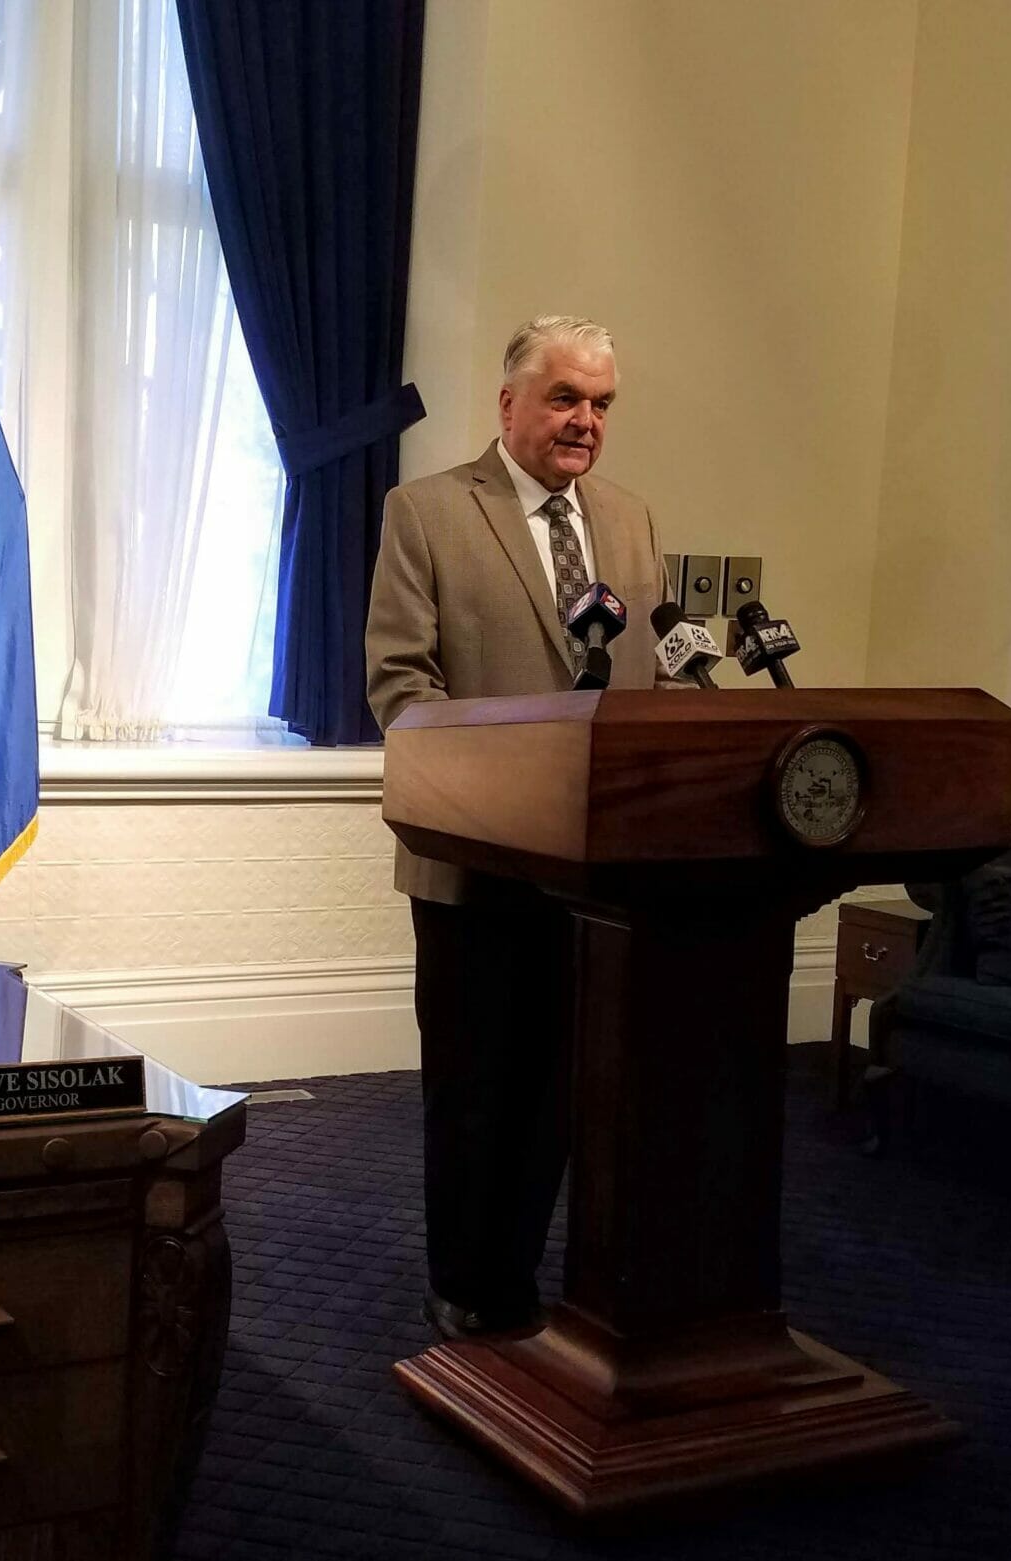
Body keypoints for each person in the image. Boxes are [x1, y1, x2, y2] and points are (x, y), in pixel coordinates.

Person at [364, 315, 670, 1340]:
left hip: (597, 876)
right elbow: (401, 687)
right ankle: (460, 1278)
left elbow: (646, 682)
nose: (584, 420)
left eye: (600, 404)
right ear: (508, 404)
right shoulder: (429, 512)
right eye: (564, 398)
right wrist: (507, 784)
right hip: (475, 867)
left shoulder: (626, 522)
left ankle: (520, 1273)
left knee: (560, 1093)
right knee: (475, 1086)